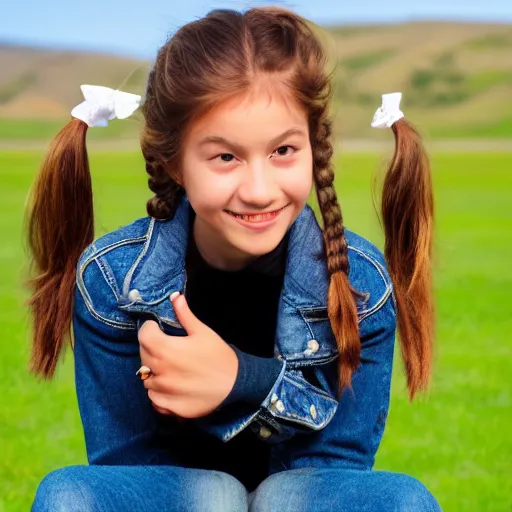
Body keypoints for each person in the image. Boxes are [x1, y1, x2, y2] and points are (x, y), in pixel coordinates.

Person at [26, 6, 441, 512]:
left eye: (283, 151)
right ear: (173, 163)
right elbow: (128, 468)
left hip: (298, 494)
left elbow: (332, 471)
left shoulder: (363, 285)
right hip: (180, 496)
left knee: (404, 500)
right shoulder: (113, 283)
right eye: (225, 157)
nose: (260, 190)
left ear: (314, 147)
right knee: (70, 494)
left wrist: (242, 379)